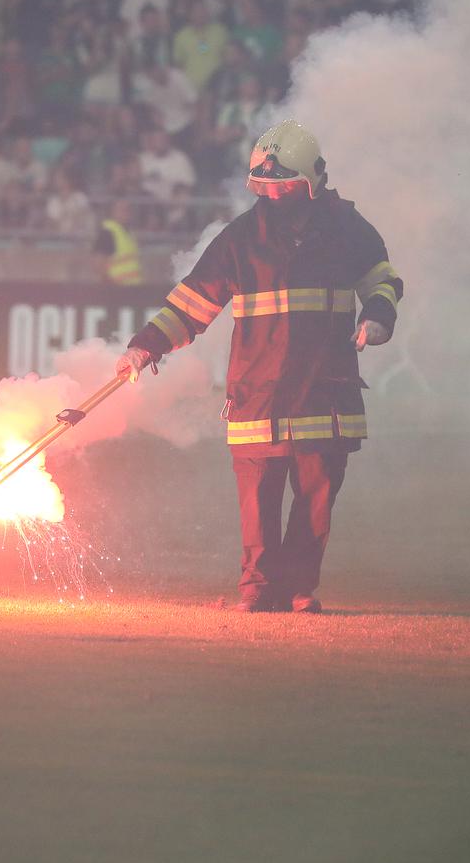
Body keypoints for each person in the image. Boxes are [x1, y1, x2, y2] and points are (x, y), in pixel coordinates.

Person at [116, 120, 403, 614]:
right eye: (263, 185)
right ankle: (257, 591)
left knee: (315, 503)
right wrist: (146, 346)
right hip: (258, 392)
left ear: (312, 181)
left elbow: (383, 281)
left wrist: (378, 318)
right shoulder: (238, 239)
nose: (272, 194)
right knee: (258, 505)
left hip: (324, 390)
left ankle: (295, 590)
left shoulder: (348, 230)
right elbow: (191, 305)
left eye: (283, 184)